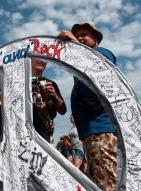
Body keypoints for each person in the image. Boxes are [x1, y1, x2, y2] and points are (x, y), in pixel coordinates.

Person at [56, 22, 117, 191]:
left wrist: (75, 43)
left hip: (100, 129)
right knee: (100, 177)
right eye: (78, 35)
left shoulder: (101, 53)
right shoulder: (83, 59)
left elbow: (101, 71)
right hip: (90, 130)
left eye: (84, 34)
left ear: (96, 37)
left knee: (108, 181)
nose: (81, 38)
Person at [31, 59, 67, 142]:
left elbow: (63, 111)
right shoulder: (19, 82)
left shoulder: (50, 83)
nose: (41, 60)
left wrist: (54, 97)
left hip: (43, 134)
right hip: (21, 132)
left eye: (44, 58)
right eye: (36, 56)